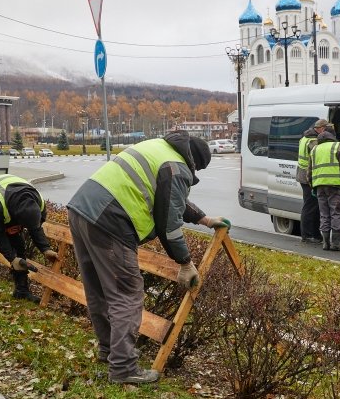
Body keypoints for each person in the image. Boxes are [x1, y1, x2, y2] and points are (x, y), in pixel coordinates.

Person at [67, 130, 228, 385]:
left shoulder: (158, 148)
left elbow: (170, 200)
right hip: (110, 220)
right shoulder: (177, 167)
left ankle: (111, 351)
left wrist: (204, 219)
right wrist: (185, 263)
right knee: (127, 293)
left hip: (82, 210)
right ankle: (122, 368)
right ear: (194, 162)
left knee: (98, 288)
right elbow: (169, 223)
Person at [0, 174, 60, 308]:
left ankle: (21, 290)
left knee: (19, 243)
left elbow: (35, 227)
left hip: (9, 202)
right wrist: (12, 258)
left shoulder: (39, 203)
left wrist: (45, 249)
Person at [309, 127, 340, 251]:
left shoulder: (314, 150)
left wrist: (312, 184)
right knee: (336, 213)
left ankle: (325, 243)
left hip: (319, 186)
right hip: (335, 186)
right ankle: (335, 244)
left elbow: (309, 171)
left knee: (324, 214)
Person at [296, 119, 328, 243]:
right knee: (310, 207)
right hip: (308, 177)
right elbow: (317, 158)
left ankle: (312, 234)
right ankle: (308, 234)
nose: (325, 131)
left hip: (302, 174)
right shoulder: (313, 141)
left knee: (310, 206)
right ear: (320, 128)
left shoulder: (305, 138)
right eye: (325, 129)